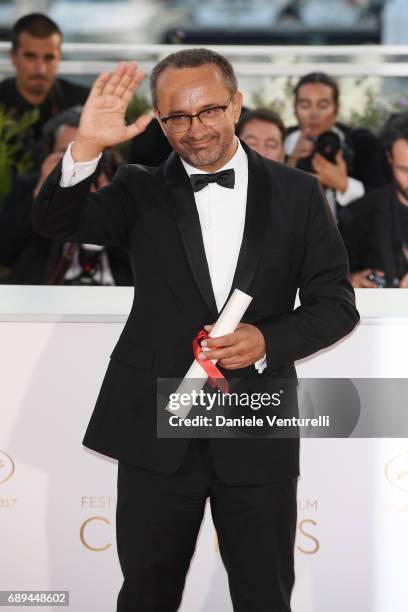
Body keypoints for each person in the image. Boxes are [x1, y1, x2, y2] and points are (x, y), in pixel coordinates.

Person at [32, 49, 359, 611]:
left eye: (208, 111)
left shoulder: (298, 193)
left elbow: (336, 304)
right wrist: (84, 147)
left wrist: (268, 340)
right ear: (159, 122)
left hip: (255, 421)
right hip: (159, 422)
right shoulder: (138, 189)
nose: (194, 130)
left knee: (264, 593)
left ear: (236, 104)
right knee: (147, 593)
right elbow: (55, 223)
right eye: (176, 118)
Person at [0, 107, 132, 286]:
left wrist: (106, 208)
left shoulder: (124, 187)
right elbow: (5, 249)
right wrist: (42, 193)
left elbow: (146, 257)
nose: (78, 163)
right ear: (48, 153)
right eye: (68, 154)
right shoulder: (27, 186)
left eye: (89, 153)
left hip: (114, 297)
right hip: (44, 298)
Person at [285, 72, 386, 220]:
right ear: (294, 109)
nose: (314, 114)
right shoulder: (279, 141)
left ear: (336, 109)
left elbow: (385, 202)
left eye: (323, 105)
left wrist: (344, 185)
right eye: (305, 105)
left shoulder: (361, 143)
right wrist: (290, 163)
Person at [0, 13, 89, 163]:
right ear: (13, 56)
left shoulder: (84, 101)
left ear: (59, 58)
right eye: (30, 56)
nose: (41, 69)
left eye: (49, 58)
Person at [341, 112, 408, 288]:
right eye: (405, 170)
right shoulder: (358, 214)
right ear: (389, 158)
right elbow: (327, 277)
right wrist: (351, 282)